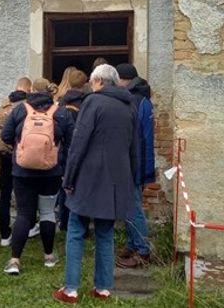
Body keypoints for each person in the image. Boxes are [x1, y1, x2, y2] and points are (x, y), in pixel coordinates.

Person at [54, 64, 138, 304]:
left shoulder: (92, 102)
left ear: (99, 81)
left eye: (92, 82)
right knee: (105, 233)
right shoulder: (129, 106)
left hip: (89, 176)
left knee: (76, 230)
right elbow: (134, 146)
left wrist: (69, 177)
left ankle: (71, 289)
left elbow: (79, 142)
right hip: (116, 178)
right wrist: (132, 179)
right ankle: (103, 288)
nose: (91, 86)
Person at [0, 78, 74, 275]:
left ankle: (14, 260)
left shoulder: (20, 110)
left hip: (22, 171)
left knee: (24, 213)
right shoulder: (61, 112)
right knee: (48, 212)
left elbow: (5, 135)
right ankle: (48, 256)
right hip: (51, 172)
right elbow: (71, 141)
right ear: (50, 91)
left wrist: (19, 146)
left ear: (31, 90)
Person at [116, 63, 155, 268]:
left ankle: (142, 251)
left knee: (133, 206)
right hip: (134, 160)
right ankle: (132, 244)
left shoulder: (136, 101)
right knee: (128, 205)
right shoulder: (140, 99)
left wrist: (143, 169)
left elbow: (141, 137)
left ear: (125, 80)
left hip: (133, 162)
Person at [0, 76, 31, 246]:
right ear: (29, 89)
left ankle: (5, 235)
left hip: (4, 157)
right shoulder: (28, 108)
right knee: (24, 195)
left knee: (4, 195)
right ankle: (27, 228)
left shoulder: (4, 105)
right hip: (22, 156)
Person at [54, 68, 88, 230]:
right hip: (82, 150)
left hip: (63, 151)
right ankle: (82, 223)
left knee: (64, 186)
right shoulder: (87, 103)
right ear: (84, 84)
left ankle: (64, 221)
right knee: (82, 187)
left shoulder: (60, 103)